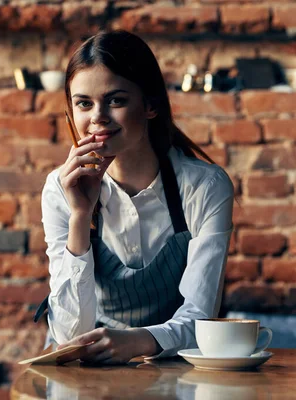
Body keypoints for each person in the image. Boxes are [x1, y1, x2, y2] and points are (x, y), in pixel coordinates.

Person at [35, 30, 234, 364]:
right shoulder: (60, 188)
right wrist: (80, 216)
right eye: (84, 103)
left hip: (176, 364)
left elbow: (200, 317)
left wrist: (139, 342)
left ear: (151, 105)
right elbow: (69, 336)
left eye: (116, 100)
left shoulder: (204, 186)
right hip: (90, 366)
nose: (97, 116)